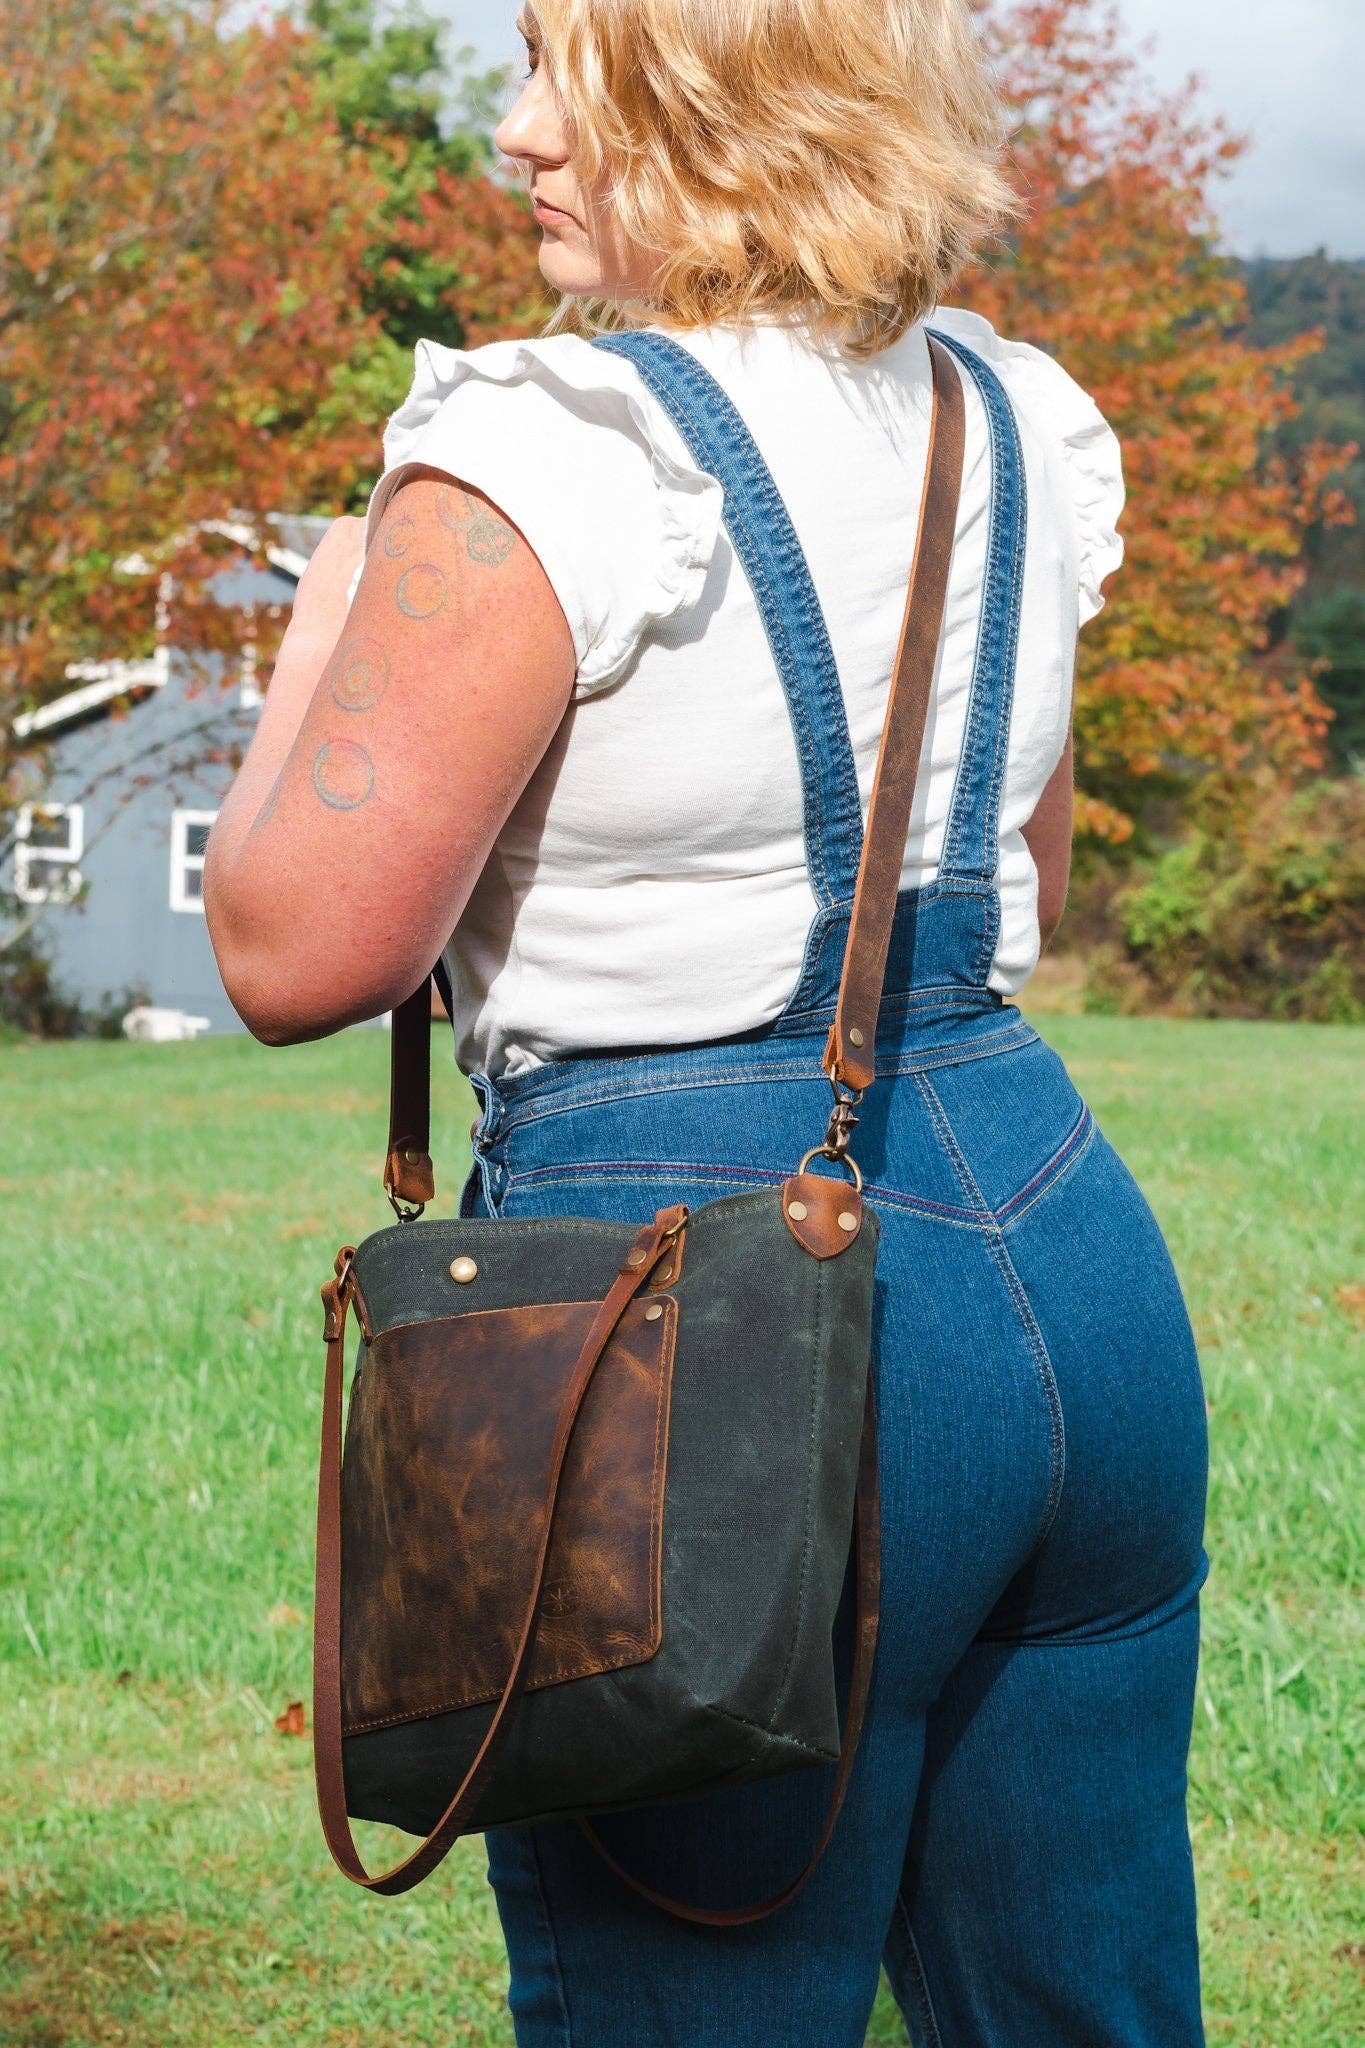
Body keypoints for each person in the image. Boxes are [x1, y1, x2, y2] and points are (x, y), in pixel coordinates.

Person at [203, 1, 1211, 2040]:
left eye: (575, 67)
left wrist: (327, 614)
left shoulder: (539, 450)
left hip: (689, 1301)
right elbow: (1028, 863)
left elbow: (290, 953)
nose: (514, 131)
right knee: (1080, 2005)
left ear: (740, 99)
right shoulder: (1003, 419)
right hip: (1056, 1254)